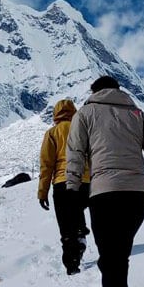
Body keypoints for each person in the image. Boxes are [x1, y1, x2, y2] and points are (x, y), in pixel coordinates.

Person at [66, 76, 144, 287]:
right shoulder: (138, 114)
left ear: (94, 91)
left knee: (110, 256)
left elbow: (75, 152)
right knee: (119, 251)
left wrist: (72, 188)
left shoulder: (86, 113)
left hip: (104, 192)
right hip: (138, 193)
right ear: (117, 90)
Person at [38, 99, 91, 275]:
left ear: (55, 115)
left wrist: (42, 192)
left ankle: (72, 263)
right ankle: (80, 234)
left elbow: (46, 165)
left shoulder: (52, 133)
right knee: (77, 209)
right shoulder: (83, 129)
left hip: (62, 182)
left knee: (65, 225)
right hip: (84, 181)